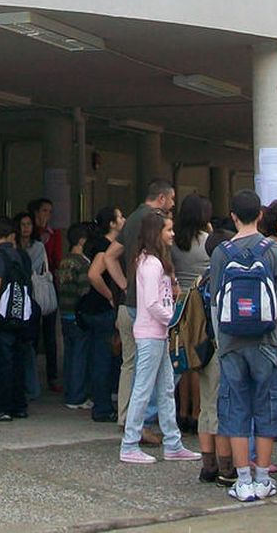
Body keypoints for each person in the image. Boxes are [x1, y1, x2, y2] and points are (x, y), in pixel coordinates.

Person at [209, 188, 277, 503]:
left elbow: (216, 304)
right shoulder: (273, 250)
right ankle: (262, 477)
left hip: (231, 342)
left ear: (232, 216)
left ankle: (242, 480)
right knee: (267, 405)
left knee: (235, 407)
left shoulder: (220, 252)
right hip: (267, 340)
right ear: (260, 215)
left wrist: (221, 341)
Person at [119, 209, 199, 464]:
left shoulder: (148, 261)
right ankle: (129, 444)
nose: (172, 233)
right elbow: (153, 303)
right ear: (157, 233)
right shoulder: (152, 264)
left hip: (157, 333)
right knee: (144, 388)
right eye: (168, 229)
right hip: (152, 333)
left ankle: (173, 443)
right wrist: (173, 318)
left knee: (164, 388)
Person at [103, 179, 177, 430]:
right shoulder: (155, 221)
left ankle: (126, 418)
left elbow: (109, 256)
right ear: (162, 199)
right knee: (154, 373)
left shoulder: (132, 218)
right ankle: (141, 425)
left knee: (130, 364)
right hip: (149, 310)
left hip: (128, 303)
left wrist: (125, 284)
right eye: (172, 199)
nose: (173, 205)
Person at [0, 216, 35, 420]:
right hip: (21, 314)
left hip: (4, 315)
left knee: (2, 362)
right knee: (18, 360)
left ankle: (0, 407)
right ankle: (18, 404)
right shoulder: (21, 255)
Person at [170, 195, 213, 431]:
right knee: (198, 359)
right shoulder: (207, 240)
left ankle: (182, 410)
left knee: (182, 357)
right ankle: (197, 412)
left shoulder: (174, 241)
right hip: (199, 303)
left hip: (178, 303)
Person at [82, 208, 126, 421]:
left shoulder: (106, 245)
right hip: (102, 309)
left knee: (102, 357)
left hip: (97, 309)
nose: (123, 220)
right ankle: (102, 407)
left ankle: (103, 403)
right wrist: (111, 296)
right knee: (103, 359)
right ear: (111, 223)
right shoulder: (104, 248)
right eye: (119, 217)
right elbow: (94, 275)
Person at [57, 222, 96, 410]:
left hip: (64, 313)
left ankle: (69, 392)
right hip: (78, 315)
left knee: (70, 356)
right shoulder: (82, 263)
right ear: (83, 240)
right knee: (80, 356)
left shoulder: (64, 261)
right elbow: (84, 290)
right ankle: (77, 396)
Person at [31, 198, 65, 393]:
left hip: (47, 284)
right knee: (33, 333)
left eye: (49, 211)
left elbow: (57, 260)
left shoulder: (54, 234)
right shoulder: (31, 233)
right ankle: (33, 376)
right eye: (44, 210)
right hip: (31, 286)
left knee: (50, 333)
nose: (47, 215)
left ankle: (52, 376)